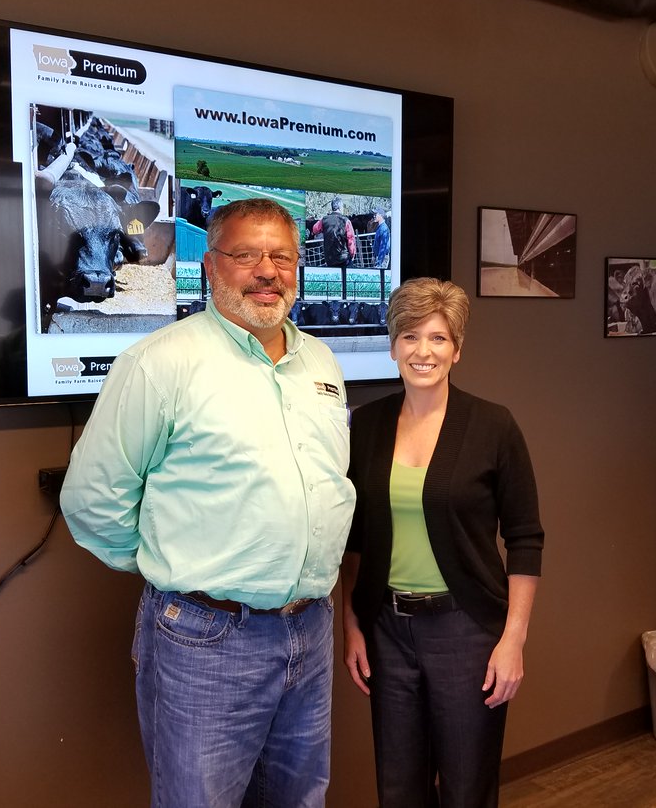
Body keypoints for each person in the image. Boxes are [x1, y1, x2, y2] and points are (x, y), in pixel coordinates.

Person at [60, 198, 355, 808]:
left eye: (282, 257)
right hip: (208, 638)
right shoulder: (160, 362)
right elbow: (93, 497)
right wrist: (174, 568)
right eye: (246, 255)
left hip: (310, 629)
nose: (267, 271)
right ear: (209, 266)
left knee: (300, 800)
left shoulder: (320, 362)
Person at [340, 278, 544, 807]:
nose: (423, 351)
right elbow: (354, 537)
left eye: (437, 337)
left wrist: (513, 639)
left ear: (457, 349)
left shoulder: (493, 426)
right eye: (409, 336)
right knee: (399, 787)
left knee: (466, 787)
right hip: (387, 632)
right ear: (392, 346)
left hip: (467, 630)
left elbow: (525, 539)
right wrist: (352, 623)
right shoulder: (367, 425)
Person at [311, 196, 356, 267]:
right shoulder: (346, 221)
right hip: (343, 258)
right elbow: (351, 240)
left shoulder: (324, 220)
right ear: (340, 207)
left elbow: (315, 229)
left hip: (329, 258)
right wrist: (352, 254)